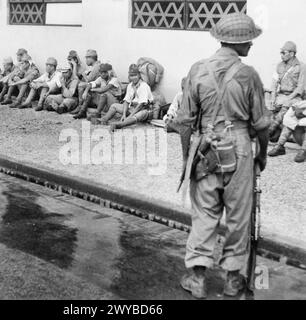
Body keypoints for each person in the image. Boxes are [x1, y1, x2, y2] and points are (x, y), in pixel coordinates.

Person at [176, 13, 270, 299]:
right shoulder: (248, 74)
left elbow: (183, 122)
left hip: (205, 147)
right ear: (239, 42)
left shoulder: (197, 69)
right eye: (249, 39)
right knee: (239, 217)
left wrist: (186, 158)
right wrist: (262, 154)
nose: (252, 44)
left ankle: (197, 278)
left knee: (204, 214)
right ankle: (232, 279)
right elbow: (262, 124)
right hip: (240, 147)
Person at [95, 64, 154, 132]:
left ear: (139, 75)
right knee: (114, 106)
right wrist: (124, 114)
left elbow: (141, 105)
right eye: (131, 76)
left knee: (140, 114)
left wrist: (129, 116)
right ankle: (104, 119)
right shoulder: (130, 86)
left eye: (135, 75)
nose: (133, 78)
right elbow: (126, 101)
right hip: (132, 108)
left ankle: (120, 125)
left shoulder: (144, 86)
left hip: (144, 110)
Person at [268, 41, 306, 142]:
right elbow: (274, 83)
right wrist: (272, 97)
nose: (281, 55)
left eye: (283, 53)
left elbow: (300, 88)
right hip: (281, 95)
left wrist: (288, 99)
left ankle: (271, 129)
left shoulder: (301, 66)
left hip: (294, 96)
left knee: (286, 105)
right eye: (281, 53)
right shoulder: (279, 66)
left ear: (292, 54)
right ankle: (275, 131)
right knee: (273, 106)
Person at [71, 49, 101, 115]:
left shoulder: (97, 66)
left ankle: (80, 106)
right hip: (93, 87)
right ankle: (80, 107)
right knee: (79, 83)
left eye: (87, 58)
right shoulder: (92, 67)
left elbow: (88, 80)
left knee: (81, 85)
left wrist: (83, 73)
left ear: (92, 58)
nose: (86, 60)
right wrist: (75, 66)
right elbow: (77, 77)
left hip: (98, 90)